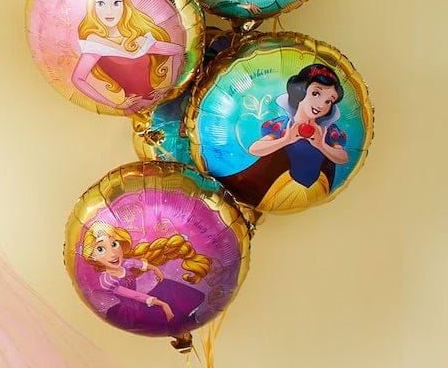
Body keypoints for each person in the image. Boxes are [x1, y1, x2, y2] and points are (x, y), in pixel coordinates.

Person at [219, 62, 352, 212]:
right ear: (300, 91)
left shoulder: (328, 131)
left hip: (318, 187)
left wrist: (322, 146)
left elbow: (343, 158)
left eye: (329, 101)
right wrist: (285, 140)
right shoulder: (283, 126)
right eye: (316, 93)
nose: (321, 105)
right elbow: (254, 149)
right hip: (288, 187)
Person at [69, 0, 188, 111]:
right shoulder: (95, 43)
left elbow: (178, 50)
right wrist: (115, 105)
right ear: (92, 7)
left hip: (162, 103)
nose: (109, 11)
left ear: (125, 5)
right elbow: (78, 79)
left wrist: (169, 87)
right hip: (133, 107)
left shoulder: (136, 39)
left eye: (116, 2)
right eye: (101, 3)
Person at [78, 221, 211, 334]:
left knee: (166, 285)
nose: (112, 254)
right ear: (93, 257)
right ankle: (180, 322)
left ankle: (189, 315)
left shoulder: (124, 264)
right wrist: (162, 304)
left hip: (141, 298)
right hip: (134, 308)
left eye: (114, 244)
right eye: (101, 249)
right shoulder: (108, 281)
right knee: (163, 299)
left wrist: (155, 268)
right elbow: (135, 296)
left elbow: (137, 263)